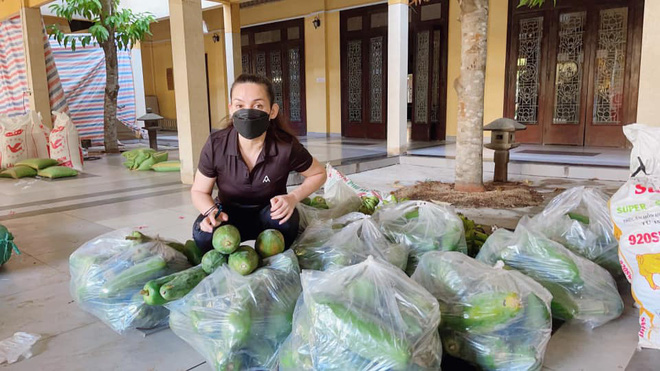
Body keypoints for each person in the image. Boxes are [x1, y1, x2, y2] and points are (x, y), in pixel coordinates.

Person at [191, 74, 326, 253]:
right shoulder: (216, 144)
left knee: (286, 221)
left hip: (269, 214)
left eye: (258, 105)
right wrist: (210, 212)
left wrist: (293, 198)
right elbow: (199, 191)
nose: (248, 111)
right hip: (227, 214)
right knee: (204, 234)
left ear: (272, 111)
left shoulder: (285, 146)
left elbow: (319, 173)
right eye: (240, 105)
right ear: (231, 109)